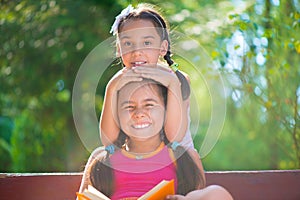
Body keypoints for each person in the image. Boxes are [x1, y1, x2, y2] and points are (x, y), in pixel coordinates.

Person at [78, 79, 233, 199]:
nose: (139, 113)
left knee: (217, 193)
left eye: (149, 105)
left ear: (166, 112)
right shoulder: (102, 158)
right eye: (129, 107)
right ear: (117, 116)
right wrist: (111, 88)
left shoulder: (184, 157)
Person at [100, 3, 194, 151]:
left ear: (162, 47)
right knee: (97, 156)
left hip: (177, 165)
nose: (137, 51)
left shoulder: (176, 79)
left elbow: (174, 138)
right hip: (140, 163)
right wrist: (110, 89)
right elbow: (108, 141)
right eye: (128, 43)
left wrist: (173, 85)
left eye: (147, 42)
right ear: (119, 49)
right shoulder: (120, 82)